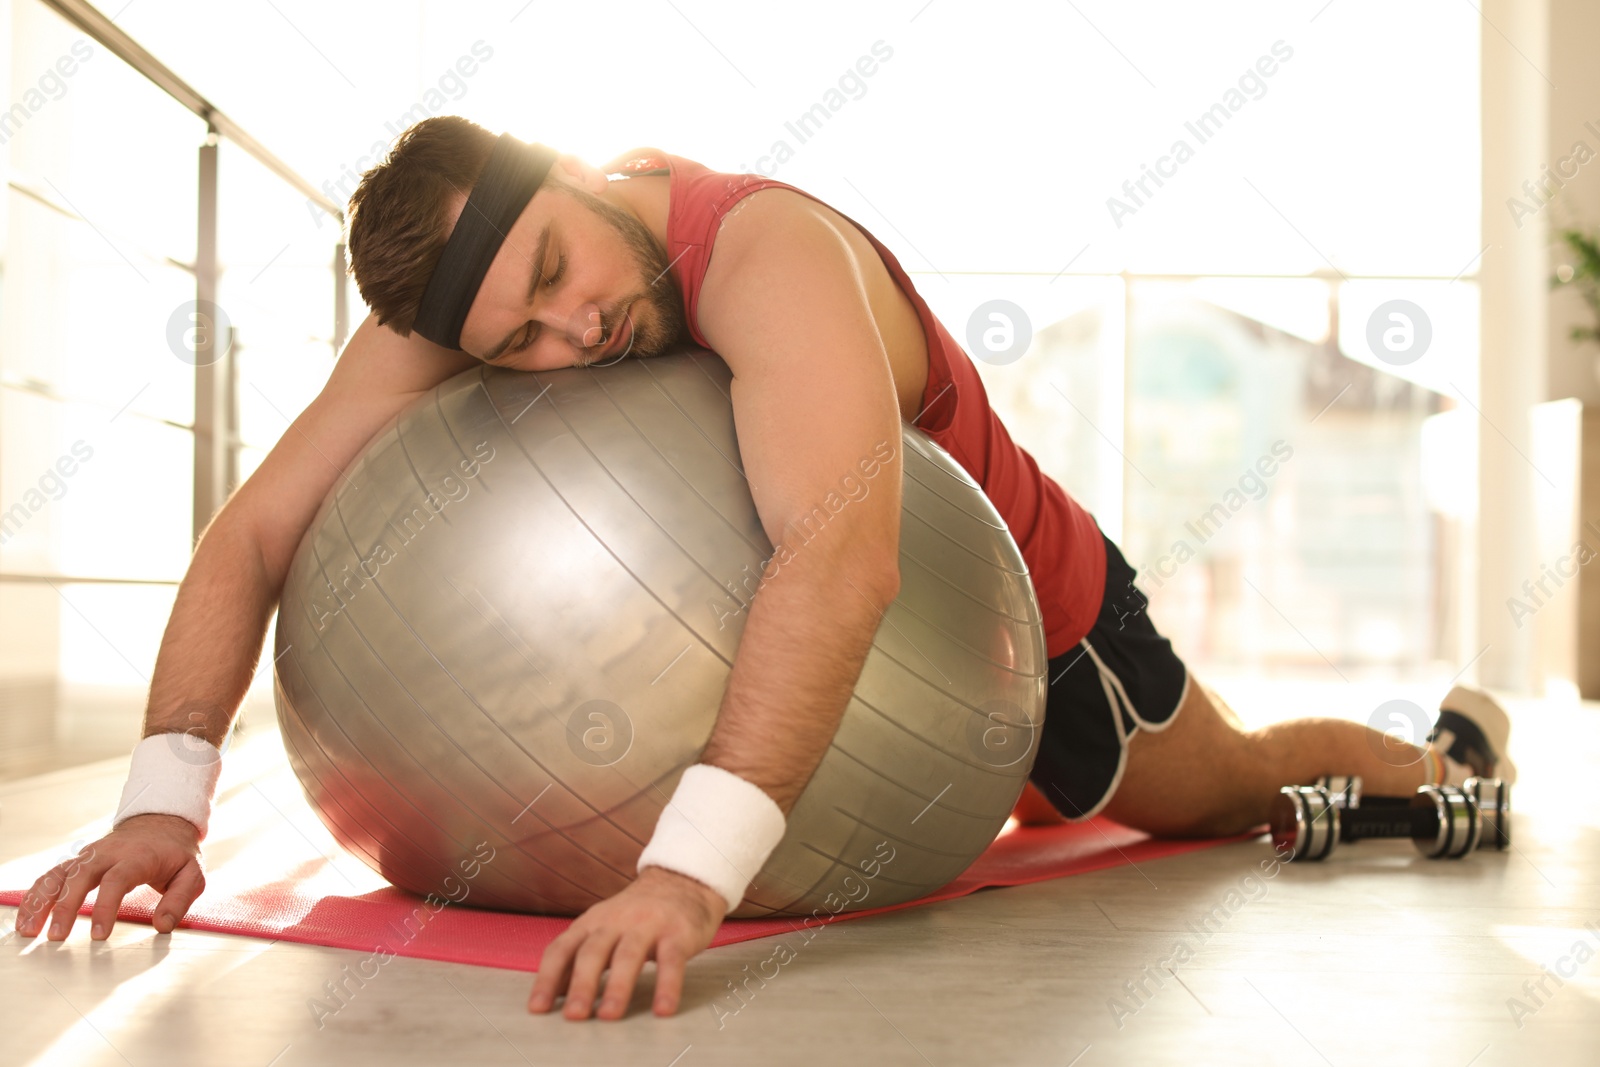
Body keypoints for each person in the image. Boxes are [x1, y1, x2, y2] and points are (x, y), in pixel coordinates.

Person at [13, 117, 1515, 1022]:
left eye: (559, 274)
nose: (569, 335)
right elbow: (257, 528)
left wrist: (683, 878)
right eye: (514, 345)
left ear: (581, 174)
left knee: (1229, 788)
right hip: (844, 703)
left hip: (1026, 629)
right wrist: (161, 814)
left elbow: (840, 560)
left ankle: (1449, 759)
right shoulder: (463, 294)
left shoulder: (762, 254)